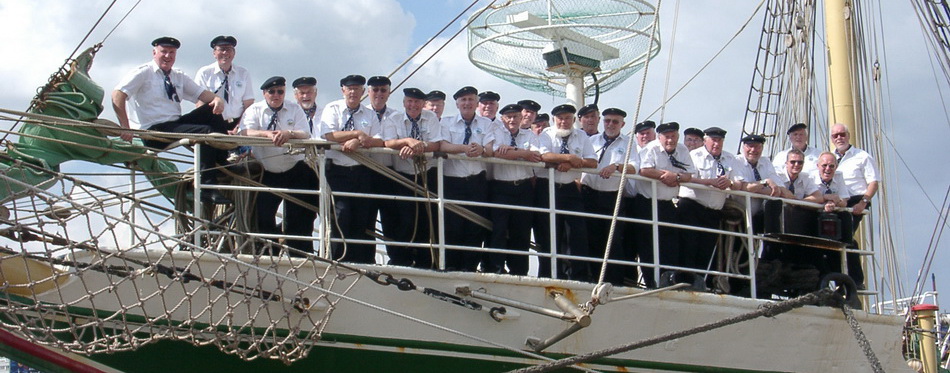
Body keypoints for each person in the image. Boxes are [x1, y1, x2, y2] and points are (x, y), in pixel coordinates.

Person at [112, 36, 231, 204]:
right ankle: (207, 187)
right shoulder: (143, 73)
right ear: (155, 53)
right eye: (164, 52)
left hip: (174, 125)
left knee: (212, 111)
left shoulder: (178, 76)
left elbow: (204, 95)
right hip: (154, 131)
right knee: (205, 133)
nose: (168, 56)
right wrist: (124, 126)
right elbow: (118, 94)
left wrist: (217, 100)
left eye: (172, 53)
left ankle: (221, 161)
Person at [239, 77, 317, 254]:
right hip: (266, 171)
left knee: (299, 217)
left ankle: (300, 254)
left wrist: (288, 133)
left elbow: (305, 133)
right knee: (263, 216)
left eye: (280, 91)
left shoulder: (294, 108)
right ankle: (268, 254)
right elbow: (245, 131)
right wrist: (266, 134)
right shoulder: (255, 110)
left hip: (294, 169)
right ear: (264, 94)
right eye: (271, 92)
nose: (276, 95)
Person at [319, 74, 384, 264]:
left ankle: (360, 262)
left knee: (361, 217)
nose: (353, 92)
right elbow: (329, 135)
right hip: (337, 171)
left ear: (363, 92)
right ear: (343, 90)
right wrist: (357, 133)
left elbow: (379, 139)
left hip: (361, 171)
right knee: (341, 216)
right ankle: (337, 259)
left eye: (357, 89)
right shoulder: (333, 108)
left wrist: (360, 140)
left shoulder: (369, 114)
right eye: (350, 88)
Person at [381, 88, 443, 268]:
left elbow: (436, 143)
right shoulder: (394, 119)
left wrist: (420, 145)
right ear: (403, 103)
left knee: (427, 218)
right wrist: (408, 141)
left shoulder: (430, 118)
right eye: (409, 101)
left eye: (417, 102)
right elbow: (389, 142)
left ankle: (425, 260)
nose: (413, 105)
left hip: (426, 174)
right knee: (405, 219)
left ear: (423, 104)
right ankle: (401, 258)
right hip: (402, 176)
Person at [536, 104, 597, 281]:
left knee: (578, 233)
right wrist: (568, 158)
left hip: (570, 188)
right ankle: (550, 274)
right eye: (560, 118)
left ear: (574, 119)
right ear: (554, 119)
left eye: (568, 118)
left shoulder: (581, 135)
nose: (564, 121)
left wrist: (571, 164)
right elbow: (544, 156)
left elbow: (593, 162)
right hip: (548, 187)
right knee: (549, 233)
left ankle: (579, 274)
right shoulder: (547, 134)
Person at [439, 86, 495, 271]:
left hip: (476, 183)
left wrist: (481, 150)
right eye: (463, 100)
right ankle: (451, 268)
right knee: (452, 227)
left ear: (477, 103)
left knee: (475, 227)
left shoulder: (486, 123)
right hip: (452, 182)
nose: (467, 103)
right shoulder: (446, 123)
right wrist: (464, 149)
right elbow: (443, 146)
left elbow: (489, 149)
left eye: (471, 99)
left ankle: (469, 268)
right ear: (457, 104)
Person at [580, 108, 635, 285]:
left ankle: (613, 282)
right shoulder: (591, 140)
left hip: (612, 197)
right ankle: (593, 279)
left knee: (613, 241)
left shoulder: (628, 144)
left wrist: (616, 166)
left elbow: (635, 168)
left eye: (615, 122)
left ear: (622, 124)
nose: (610, 124)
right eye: (607, 121)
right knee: (591, 238)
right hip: (589, 194)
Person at [486, 103, 542, 275]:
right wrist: (523, 153)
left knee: (521, 231)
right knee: (498, 230)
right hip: (501, 187)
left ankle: (519, 271)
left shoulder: (530, 135)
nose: (512, 120)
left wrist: (513, 150)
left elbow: (536, 156)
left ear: (521, 118)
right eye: (508, 117)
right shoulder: (496, 132)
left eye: (515, 116)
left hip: (523, 188)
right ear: (503, 119)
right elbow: (496, 152)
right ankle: (495, 268)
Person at [637, 122, 695, 287]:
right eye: (667, 137)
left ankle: (668, 279)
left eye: (673, 136)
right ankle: (651, 282)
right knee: (647, 245)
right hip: (646, 203)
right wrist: (666, 176)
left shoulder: (682, 150)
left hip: (666, 204)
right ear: (659, 137)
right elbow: (645, 170)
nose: (670, 140)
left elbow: (690, 174)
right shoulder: (651, 149)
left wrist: (675, 177)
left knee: (670, 244)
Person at [677, 127, 738, 273]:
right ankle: (684, 280)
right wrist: (709, 182)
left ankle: (699, 282)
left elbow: (738, 181)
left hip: (713, 212)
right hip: (692, 207)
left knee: (706, 250)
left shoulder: (730, 159)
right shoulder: (693, 155)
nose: (716, 144)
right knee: (688, 246)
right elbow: (687, 178)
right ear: (705, 140)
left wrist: (730, 183)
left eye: (719, 141)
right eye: (713, 140)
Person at [830, 123, 878, 286]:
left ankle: (856, 280)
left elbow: (873, 182)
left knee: (844, 235)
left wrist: (864, 202)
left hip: (856, 200)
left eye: (842, 134)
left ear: (848, 136)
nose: (839, 138)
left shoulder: (862, 156)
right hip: (838, 200)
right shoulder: (830, 158)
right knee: (831, 237)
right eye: (835, 136)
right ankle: (838, 280)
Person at [366, 76, 402, 260]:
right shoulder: (360, 114)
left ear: (389, 93)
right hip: (365, 172)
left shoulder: (397, 116)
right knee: (365, 218)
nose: (379, 93)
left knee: (392, 220)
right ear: (368, 91)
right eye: (375, 89)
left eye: (383, 90)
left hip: (389, 173)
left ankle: (396, 260)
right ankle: (366, 259)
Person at [194, 35, 254, 128]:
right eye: (221, 49)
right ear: (214, 53)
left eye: (229, 49)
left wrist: (239, 126)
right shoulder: (205, 73)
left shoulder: (243, 73)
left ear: (234, 53)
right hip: (212, 123)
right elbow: (200, 103)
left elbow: (248, 104)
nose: (225, 53)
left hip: (238, 123)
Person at [733, 134, 785, 231]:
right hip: (739, 214)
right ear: (743, 147)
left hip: (760, 216)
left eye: (757, 146)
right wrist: (765, 183)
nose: (753, 150)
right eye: (750, 146)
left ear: (762, 148)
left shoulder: (766, 162)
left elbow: (778, 189)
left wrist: (755, 189)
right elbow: (744, 187)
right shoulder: (736, 161)